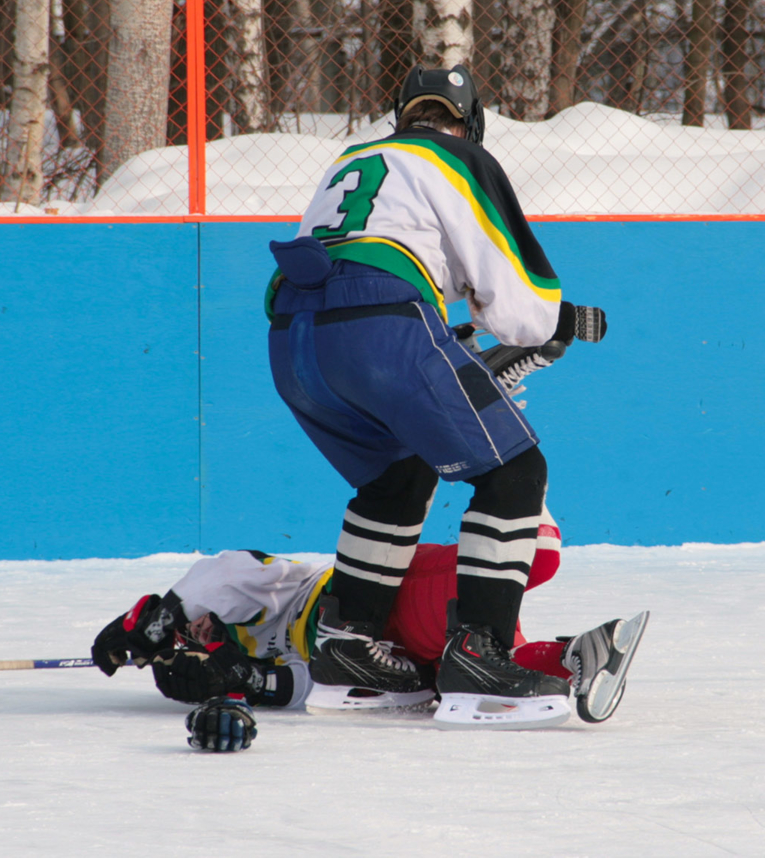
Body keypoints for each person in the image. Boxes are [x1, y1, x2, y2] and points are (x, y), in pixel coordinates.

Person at [261, 63, 605, 727]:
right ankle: (481, 657)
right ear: (470, 122)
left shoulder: (355, 155)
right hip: (378, 328)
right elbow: (519, 304)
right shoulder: (457, 155)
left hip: (292, 341)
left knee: (398, 475)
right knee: (514, 473)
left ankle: (347, 648)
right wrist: (560, 320)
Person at [90, 517, 650, 747]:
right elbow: (320, 688)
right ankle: (578, 655)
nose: (199, 631)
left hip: (390, 599)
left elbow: (230, 571)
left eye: (188, 630)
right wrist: (252, 683)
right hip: (405, 658)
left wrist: (157, 621)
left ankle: (500, 426)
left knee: (539, 555)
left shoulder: (264, 593)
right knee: (491, 660)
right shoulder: (231, 658)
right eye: (191, 640)